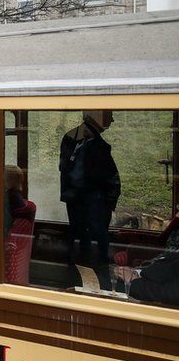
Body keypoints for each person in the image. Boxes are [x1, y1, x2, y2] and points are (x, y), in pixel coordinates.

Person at [59, 110, 120, 265]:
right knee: (95, 235)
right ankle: (92, 270)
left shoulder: (74, 138)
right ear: (96, 116)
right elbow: (105, 175)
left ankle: (83, 267)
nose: (111, 120)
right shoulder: (85, 142)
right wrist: (111, 198)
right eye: (108, 115)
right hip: (90, 197)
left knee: (82, 234)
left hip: (77, 196)